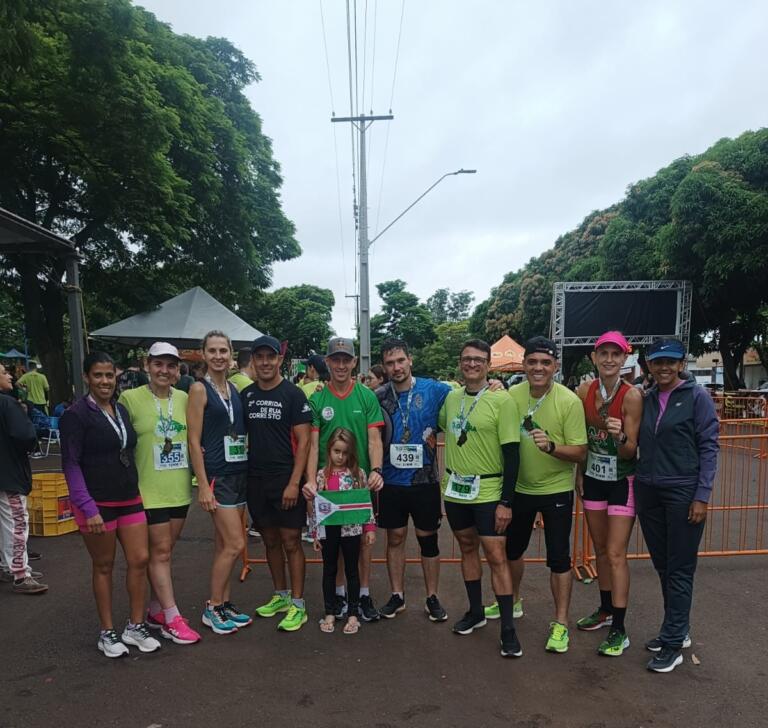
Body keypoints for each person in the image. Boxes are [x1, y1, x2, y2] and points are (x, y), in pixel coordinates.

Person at [60, 351, 161, 657]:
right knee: (104, 565)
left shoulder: (120, 410)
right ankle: (107, 632)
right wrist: (87, 507)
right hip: (96, 503)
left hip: (129, 497)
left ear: (116, 376)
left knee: (140, 559)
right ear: (87, 378)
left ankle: (135, 625)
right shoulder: (75, 415)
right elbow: (71, 464)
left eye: (109, 375)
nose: (105, 381)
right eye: (98, 375)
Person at [635, 337, 718, 673]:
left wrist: (702, 496)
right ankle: (677, 628)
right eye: (658, 362)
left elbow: (709, 447)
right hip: (648, 490)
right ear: (649, 365)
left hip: (683, 492)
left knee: (680, 568)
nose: (665, 367)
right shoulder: (647, 398)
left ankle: (672, 644)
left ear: (682, 363)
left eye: (671, 361)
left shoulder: (697, 397)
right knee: (664, 566)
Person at [438, 339, 522, 658]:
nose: (471, 364)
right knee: (467, 548)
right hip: (457, 490)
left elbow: (512, 456)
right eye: (466, 359)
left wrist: (506, 502)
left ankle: (508, 630)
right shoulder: (451, 399)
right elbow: (445, 427)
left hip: (489, 491)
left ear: (488, 364)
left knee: (496, 557)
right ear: (460, 363)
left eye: (478, 359)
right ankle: (475, 612)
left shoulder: (503, 402)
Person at [505, 337, 587, 654]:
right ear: (524, 364)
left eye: (545, 362)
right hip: (519, 489)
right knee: (512, 552)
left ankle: (561, 623)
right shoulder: (511, 396)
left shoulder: (568, 401)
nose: (538, 368)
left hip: (556, 490)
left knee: (558, 559)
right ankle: (512, 601)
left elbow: (580, 452)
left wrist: (552, 446)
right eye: (532, 362)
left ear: (555, 366)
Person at [118, 342, 199, 645]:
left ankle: (154, 610)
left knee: (164, 553)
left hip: (178, 489)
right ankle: (172, 616)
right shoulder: (130, 398)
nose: (164, 371)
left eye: (170, 365)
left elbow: (193, 438)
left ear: (178, 370)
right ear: (147, 365)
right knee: (161, 553)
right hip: (146, 490)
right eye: (158, 364)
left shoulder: (184, 398)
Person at [303, 337, 385, 622]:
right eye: (335, 359)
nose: (340, 365)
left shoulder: (366, 396)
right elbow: (313, 446)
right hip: (328, 485)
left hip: (359, 483)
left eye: (345, 359)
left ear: (353, 362)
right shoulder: (317, 399)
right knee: (334, 545)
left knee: (363, 542)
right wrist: (312, 481)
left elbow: (374, 439)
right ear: (327, 362)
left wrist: (376, 470)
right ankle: (339, 594)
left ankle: (362, 594)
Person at [574, 331, 642, 657]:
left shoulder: (631, 396)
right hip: (593, 478)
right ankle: (604, 611)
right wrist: (579, 473)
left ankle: (620, 627)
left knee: (616, 553)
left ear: (625, 358)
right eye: (604, 353)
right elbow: (581, 439)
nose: (610, 359)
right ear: (594, 357)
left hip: (621, 481)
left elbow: (631, 452)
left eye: (617, 354)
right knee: (600, 548)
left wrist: (620, 437)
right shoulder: (584, 391)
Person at [375, 338, 452, 622]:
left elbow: (467, 394)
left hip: (425, 480)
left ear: (410, 360)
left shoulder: (435, 389)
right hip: (391, 481)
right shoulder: (378, 395)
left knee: (428, 540)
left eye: (400, 361)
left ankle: (432, 596)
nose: (396, 367)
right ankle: (397, 595)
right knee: (395, 538)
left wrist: (493, 387)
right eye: (390, 363)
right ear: (384, 366)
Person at [244, 335, 313, 632]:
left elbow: (305, 441)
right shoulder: (245, 395)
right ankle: (281, 596)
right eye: (259, 357)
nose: (264, 362)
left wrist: (294, 483)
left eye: (270, 357)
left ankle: (298, 604)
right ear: (253, 361)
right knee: (269, 541)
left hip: (286, 478)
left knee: (291, 542)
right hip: (255, 480)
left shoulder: (293, 394)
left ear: (279, 360)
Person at [187, 331, 251, 635]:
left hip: (238, 473)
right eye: (212, 350)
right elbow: (193, 438)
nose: (218, 356)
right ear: (203, 354)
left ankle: (225, 603)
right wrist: (201, 484)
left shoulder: (234, 389)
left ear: (231, 354)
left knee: (224, 544)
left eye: (223, 350)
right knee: (236, 543)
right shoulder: (200, 389)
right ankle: (212, 608)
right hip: (217, 476)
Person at [310, 428, 376, 634]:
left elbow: (366, 503)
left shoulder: (358, 475)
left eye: (345, 452)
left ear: (351, 453)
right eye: (336, 451)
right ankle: (330, 611)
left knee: (351, 570)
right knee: (329, 569)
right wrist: (315, 533)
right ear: (329, 450)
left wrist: (370, 528)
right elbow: (316, 507)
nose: (340, 456)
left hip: (352, 530)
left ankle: (353, 613)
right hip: (329, 530)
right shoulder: (321, 475)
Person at [0, 363, 48, 594]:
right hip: (8, 472)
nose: (10, 376)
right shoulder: (7, 403)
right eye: (4, 372)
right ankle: (20, 573)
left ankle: (5, 566)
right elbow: (25, 434)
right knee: (16, 521)